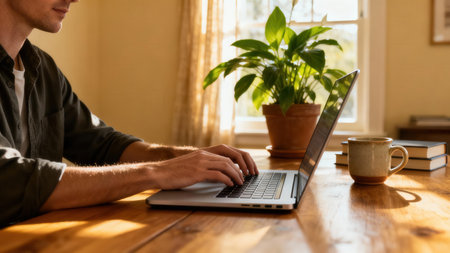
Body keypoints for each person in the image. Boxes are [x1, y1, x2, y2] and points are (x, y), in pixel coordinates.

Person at [0, 0, 258, 227]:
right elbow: (8, 179)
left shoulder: (42, 67)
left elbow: (100, 143)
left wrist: (184, 159)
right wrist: (157, 172)